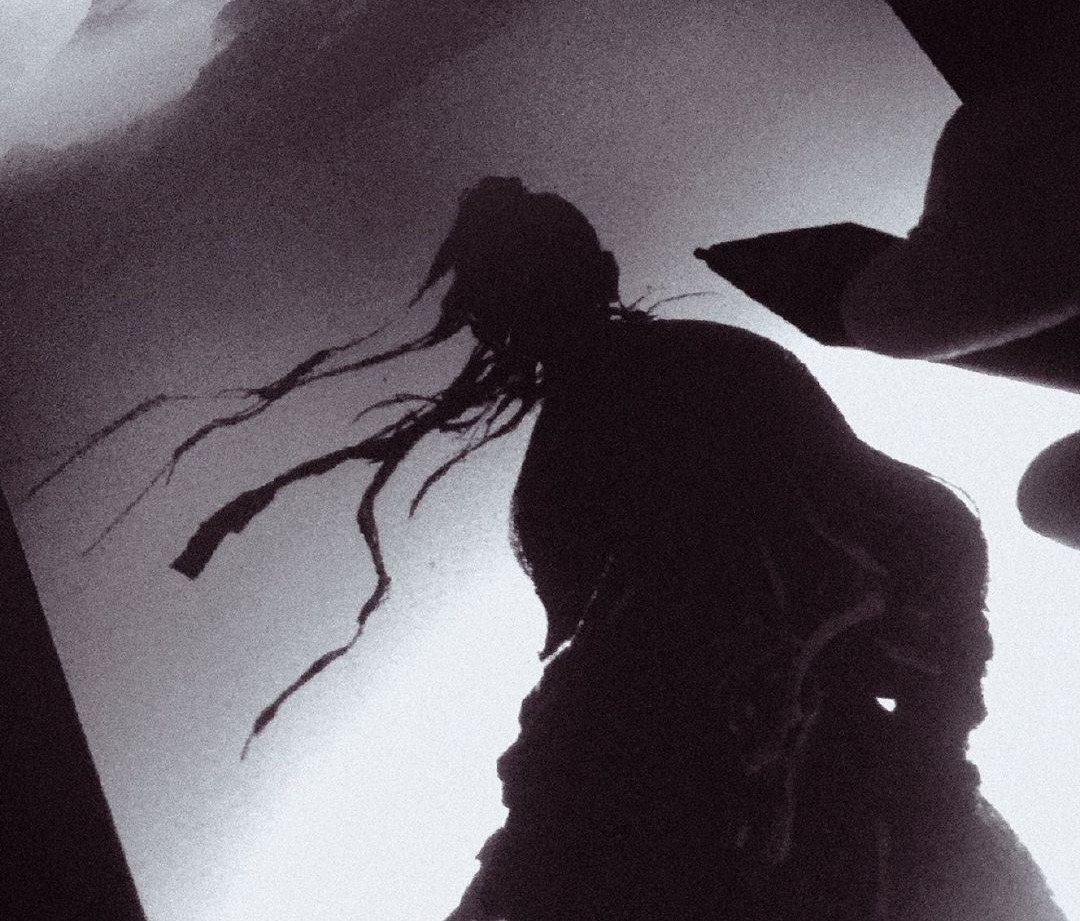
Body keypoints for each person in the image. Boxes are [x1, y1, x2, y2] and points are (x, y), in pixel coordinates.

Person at [55, 176, 1064, 918]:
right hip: (658, 791)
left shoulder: (689, 390)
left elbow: (926, 527)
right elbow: (924, 526)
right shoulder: (635, 421)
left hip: (776, 780)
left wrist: (937, 736)